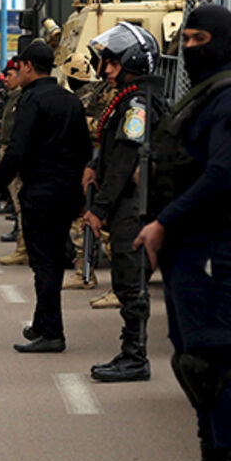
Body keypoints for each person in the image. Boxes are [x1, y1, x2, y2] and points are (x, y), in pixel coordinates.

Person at [135, 4, 231, 461]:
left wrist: (164, 221)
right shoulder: (204, 94)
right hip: (192, 250)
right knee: (192, 362)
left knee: (215, 364)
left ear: (223, 40)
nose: (189, 47)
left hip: (218, 248)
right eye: (185, 38)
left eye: (199, 39)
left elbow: (223, 177)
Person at [0, 38, 91, 353]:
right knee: (52, 258)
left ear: (28, 67)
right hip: (67, 193)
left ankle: (53, 333)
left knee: (44, 263)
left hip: (41, 193)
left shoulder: (31, 101)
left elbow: (16, 151)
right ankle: (41, 324)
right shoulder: (70, 100)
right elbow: (84, 149)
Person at [82, 23, 168, 383]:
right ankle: (129, 352)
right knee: (125, 280)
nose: (106, 70)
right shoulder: (130, 99)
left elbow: (124, 161)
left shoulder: (137, 104)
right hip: (126, 203)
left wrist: (98, 210)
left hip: (133, 206)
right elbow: (112, 152)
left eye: (113, 63)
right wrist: (91, 166)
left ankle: (136, 357)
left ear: (131, 61)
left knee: (131, 284)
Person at [61, 47, 119, 300]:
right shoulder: (96, 93)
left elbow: (105, 127)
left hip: (103, 163)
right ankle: (84, 272)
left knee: (106, 227)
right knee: (82, 221)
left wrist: (77, 121)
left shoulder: (104, 94)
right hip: (90, 164)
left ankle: (120, 285)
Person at [0, 60, 27, 265]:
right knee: (17, 203)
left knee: (20, 204)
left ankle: (24, 248)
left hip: (14, 154)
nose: (6, 79)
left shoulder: (23, 99)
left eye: (10, 75)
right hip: (7, 150)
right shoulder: (12, 98)